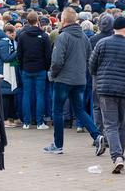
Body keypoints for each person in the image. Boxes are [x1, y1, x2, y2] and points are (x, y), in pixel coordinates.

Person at [89, 16, 125, 174]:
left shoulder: (102, 43)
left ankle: (117, 157)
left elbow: (92, 66)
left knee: (110, 125)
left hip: (106, 89)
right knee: (123, 124)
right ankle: (119, 156)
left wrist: (101, 76)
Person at [43, 9, 103, 155]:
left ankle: (58, 145)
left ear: (63, 20)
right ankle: (97, 135)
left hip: (63, 79)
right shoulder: (84, 37)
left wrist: (52, 74)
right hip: (80, 79)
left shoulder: (63, 36)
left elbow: (57, 60)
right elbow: (90, 58)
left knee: (57, 111)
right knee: (79, 110)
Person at [17, 12, 52, 130]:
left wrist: (22, 66)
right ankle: (39, 122)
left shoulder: (22, 35)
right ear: (37, 20)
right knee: (40, 95)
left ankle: (26, 122)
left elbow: (19, 54)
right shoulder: (44, 36)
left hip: (26, 68)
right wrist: (47, 67)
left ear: (27, 20)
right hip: (40, 69)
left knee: (26, 95)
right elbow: (48, 55)